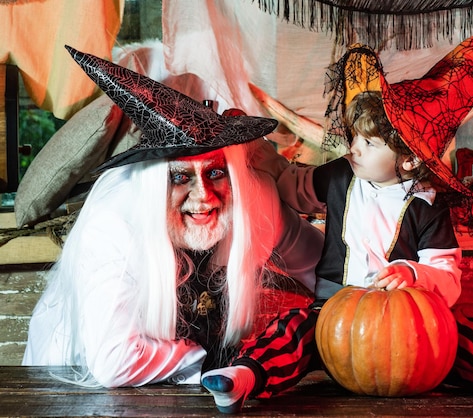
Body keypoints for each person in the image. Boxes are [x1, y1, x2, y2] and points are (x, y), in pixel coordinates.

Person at [201, 23, 473, 414]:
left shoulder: (425, 203)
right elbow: (291, 186)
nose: (355, 147)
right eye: (355, 137)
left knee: (468, 341)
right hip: (334, 312)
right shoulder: (340, 175)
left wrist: (412, 272)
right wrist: (258, 155)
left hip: (407, 322)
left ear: (406, 161)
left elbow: (447, 276)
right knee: (291, 331)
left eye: (367, 142)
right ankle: (244, 378)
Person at [21, 46, 324, 388]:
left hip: (199, 388)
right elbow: (114, 362)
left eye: (215, 173)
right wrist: (211, 365)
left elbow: (323, 267)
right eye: (181, 177)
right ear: (156, 182)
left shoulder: (254, 202)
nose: (203, 197)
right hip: (69, 386)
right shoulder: (114, 223)